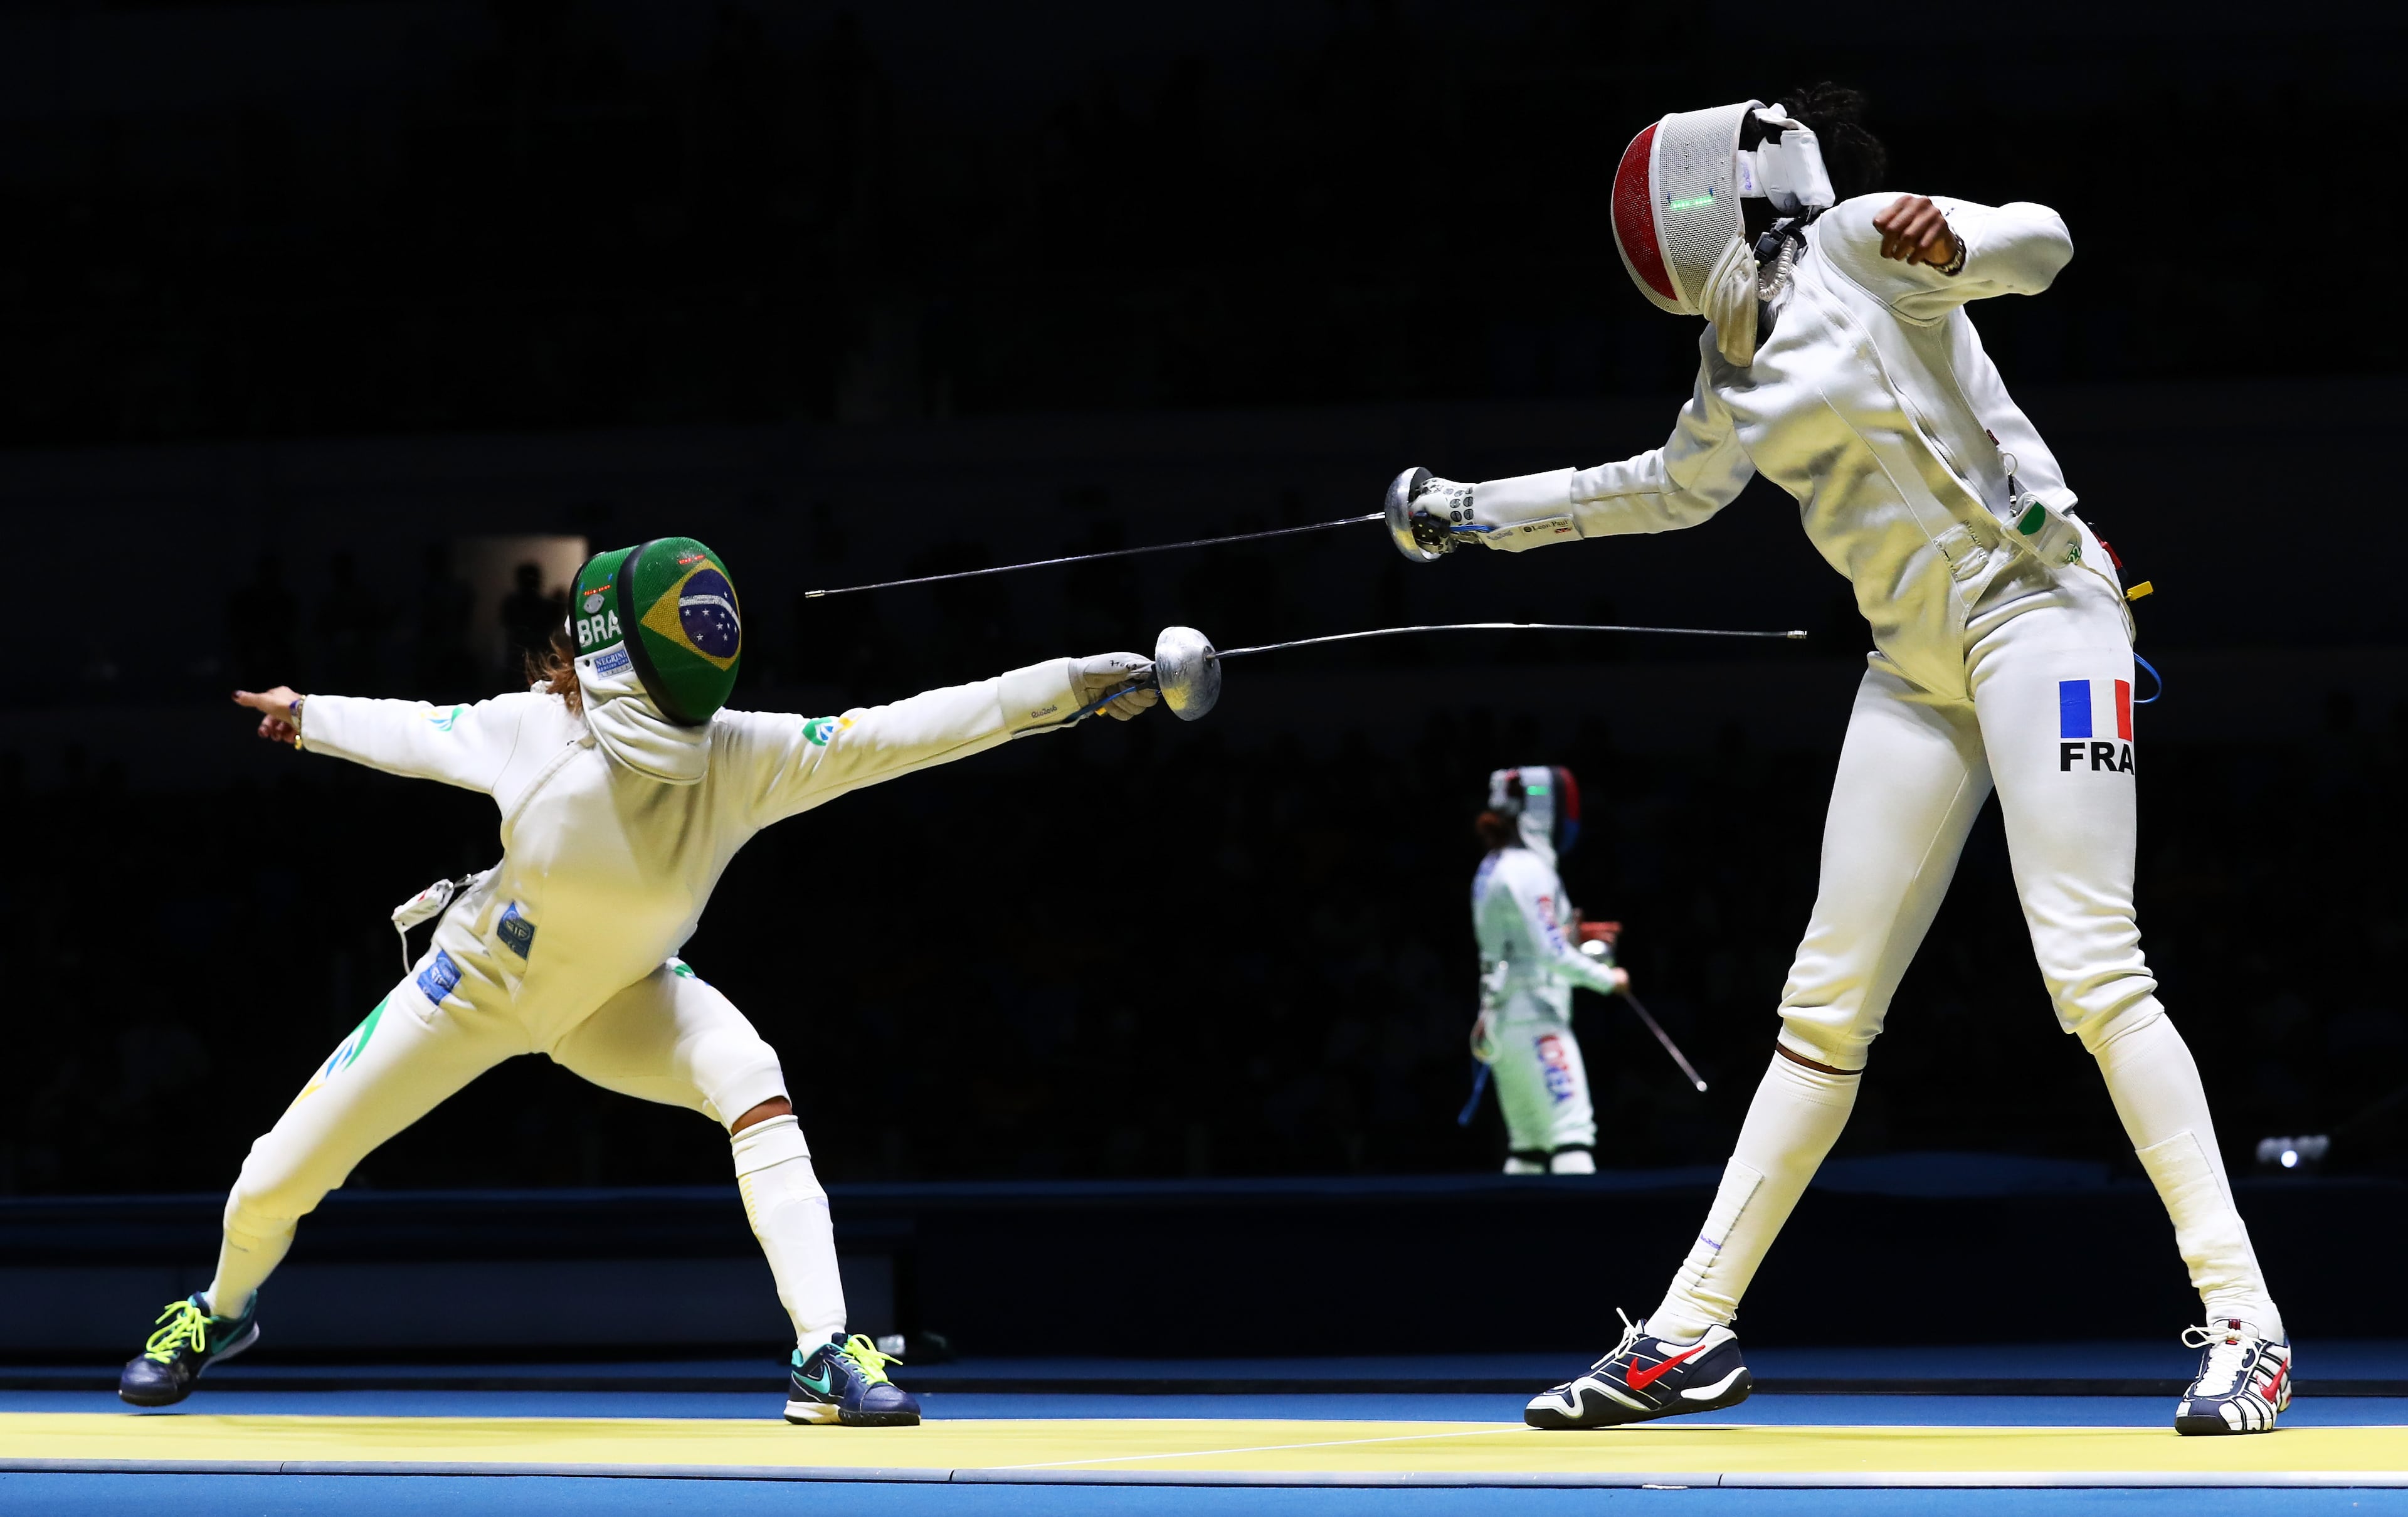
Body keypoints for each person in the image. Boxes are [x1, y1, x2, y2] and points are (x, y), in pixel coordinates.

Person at [1390, 85, 2287, 1436]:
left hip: (2043, 614)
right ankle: (1691, 1332)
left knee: (2095, 969)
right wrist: (1472, 515)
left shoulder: (1865, 239)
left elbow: (2043, 242)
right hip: (1915, 670)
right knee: (1822, 1011)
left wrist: (1958, 241)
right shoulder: (1732, 361)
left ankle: (2247, 1321)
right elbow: (1663, 489)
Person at [117, 537, 1159, 1427]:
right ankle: (217, 1309)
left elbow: (906, 729)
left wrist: (1070, 685)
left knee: (747, 1069)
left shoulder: (743, 755)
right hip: (472, 986)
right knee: (273, 1175)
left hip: (621, 995)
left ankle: (823, 1350)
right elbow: (420, 727)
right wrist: (310, 713)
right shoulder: (534, 728)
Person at [1469, 766, 1628, 1174]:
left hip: (1504, 1021)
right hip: (1536, 1021)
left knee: (1530, 1145)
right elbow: (1549, 953)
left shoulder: (1494, 865)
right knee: (1572, 1133)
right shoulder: (1528, 868)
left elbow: (1525, 941)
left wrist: (1572, 934)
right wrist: (1607, 979)